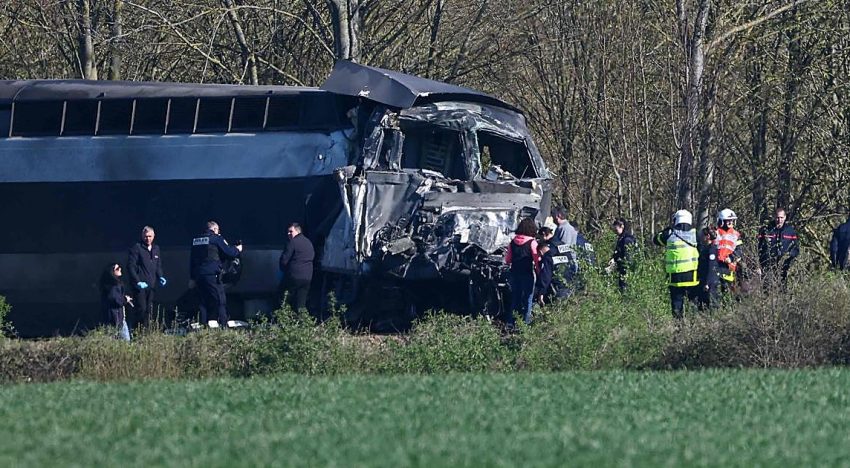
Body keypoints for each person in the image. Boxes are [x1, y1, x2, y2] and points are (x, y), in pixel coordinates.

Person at [190, 221, 243, 327]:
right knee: (220, 300)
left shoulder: (196, 240)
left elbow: (192, 260)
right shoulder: (216, 239)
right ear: (214, 229)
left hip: (199, 276)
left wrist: (192, 278)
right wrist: (237, 249)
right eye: (218, 230)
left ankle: (203, 327)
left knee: (203, 302)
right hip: (212, 275)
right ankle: (223, 326)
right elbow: (229, 252)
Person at [653, 209, 700, 319]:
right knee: (693, 304)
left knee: (676, 305)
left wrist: (666, 230)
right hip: (691, 277)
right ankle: (694, 328)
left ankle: (678, 329)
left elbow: (656, 239)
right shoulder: (695, 234)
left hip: (675, 277)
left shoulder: (669, 233)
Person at [127, 226, 166, 330]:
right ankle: (137, 332)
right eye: (145, 236)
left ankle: (147, 332)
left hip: (151, 285)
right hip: (140, 286)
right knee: (141, 309)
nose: (147, 238)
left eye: (150, 236)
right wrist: (138, 281)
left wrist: (160, 276)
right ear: (142, 236)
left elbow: (158, 265)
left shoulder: (156, 249)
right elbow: (131, 266)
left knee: (149, 310)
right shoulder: (137, 248)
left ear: (153, 236)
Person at [505, 217, 540, 326]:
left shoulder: (512, 242)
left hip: (514, 273)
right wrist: (539, 272)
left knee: (515, 298)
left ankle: (511, 322)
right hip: (527, 274)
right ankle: (526, 323)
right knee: (528, 298)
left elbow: (508, 259)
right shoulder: (532, 242)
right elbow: (536, 259)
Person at [757, 208, 799, 286]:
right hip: (767, 265)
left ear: (785, 217)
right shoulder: (766, 230)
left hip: (784, 267)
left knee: (782, 289)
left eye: (781, 217)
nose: (779, 220)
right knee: (767, 289)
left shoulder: (790, 231)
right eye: (777, 217)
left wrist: (790, 258)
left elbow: (795, 248)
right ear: (774, 217)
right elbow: (758, 248)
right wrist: (758, 265)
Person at [279, 223, 315, 313]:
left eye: (291, 231)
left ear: (297, 231)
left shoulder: (293, 242)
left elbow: (284, 260)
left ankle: (284, 318)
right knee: (301, 303)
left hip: (294, 276)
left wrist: (283, 270)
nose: (288, 234)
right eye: (288, 232)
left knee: (283, 297)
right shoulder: (308, 242)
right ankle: (302, 322)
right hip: (307, 277)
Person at [98, 263, 132, 341]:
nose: (120, 269)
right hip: (116, 318)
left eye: (120, 267)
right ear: (111, 272)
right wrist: (125, 300)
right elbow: (115, 300)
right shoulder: (113, 286)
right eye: (117, 269)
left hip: (117, 318)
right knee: (124, 340)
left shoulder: (111, 286)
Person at [714, 209, 742, 291]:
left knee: (727, 291)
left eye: (732, 220)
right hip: (716, 265)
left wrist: (731, 258)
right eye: (728, 221)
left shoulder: (736, 234)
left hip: (729, 267)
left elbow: (739, 250)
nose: (731, 223)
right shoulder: (716, 233)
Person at [608, 218, 636, 292]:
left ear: (622, 226)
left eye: (616, 230)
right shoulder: (621, 239)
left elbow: (628, 258)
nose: (615, 232)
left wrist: (617, 264)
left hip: (626, 270)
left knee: (625, 289)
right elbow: (618, 252)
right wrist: (613, 259)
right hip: (622, 269)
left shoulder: (627, 239)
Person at [697, 227, 722, 310]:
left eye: (702, 235)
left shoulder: (711, 250)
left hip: (710, 282)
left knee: (712, 304)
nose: (701, 237)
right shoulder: (704, 248)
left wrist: (707, 283)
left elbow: (712, 267)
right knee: (702, 305)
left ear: (707, 236)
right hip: (703, 280)